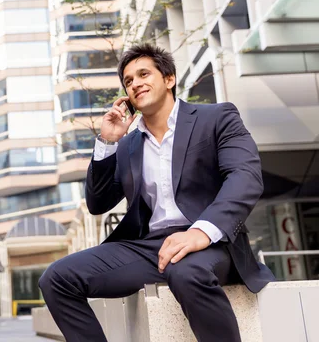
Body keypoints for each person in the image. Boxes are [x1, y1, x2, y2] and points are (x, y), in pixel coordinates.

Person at [39, 44, 275, 342]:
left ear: (169, 79)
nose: (135, 82)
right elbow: (98, 203)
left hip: (211, 242)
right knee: (57, 279)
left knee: (185, 272)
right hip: (150, 248)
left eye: (143, 73)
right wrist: (108, 142)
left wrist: (201, 232)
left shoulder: (216, 118)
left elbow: (245, 177)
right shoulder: (128, 145)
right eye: (128, 80)